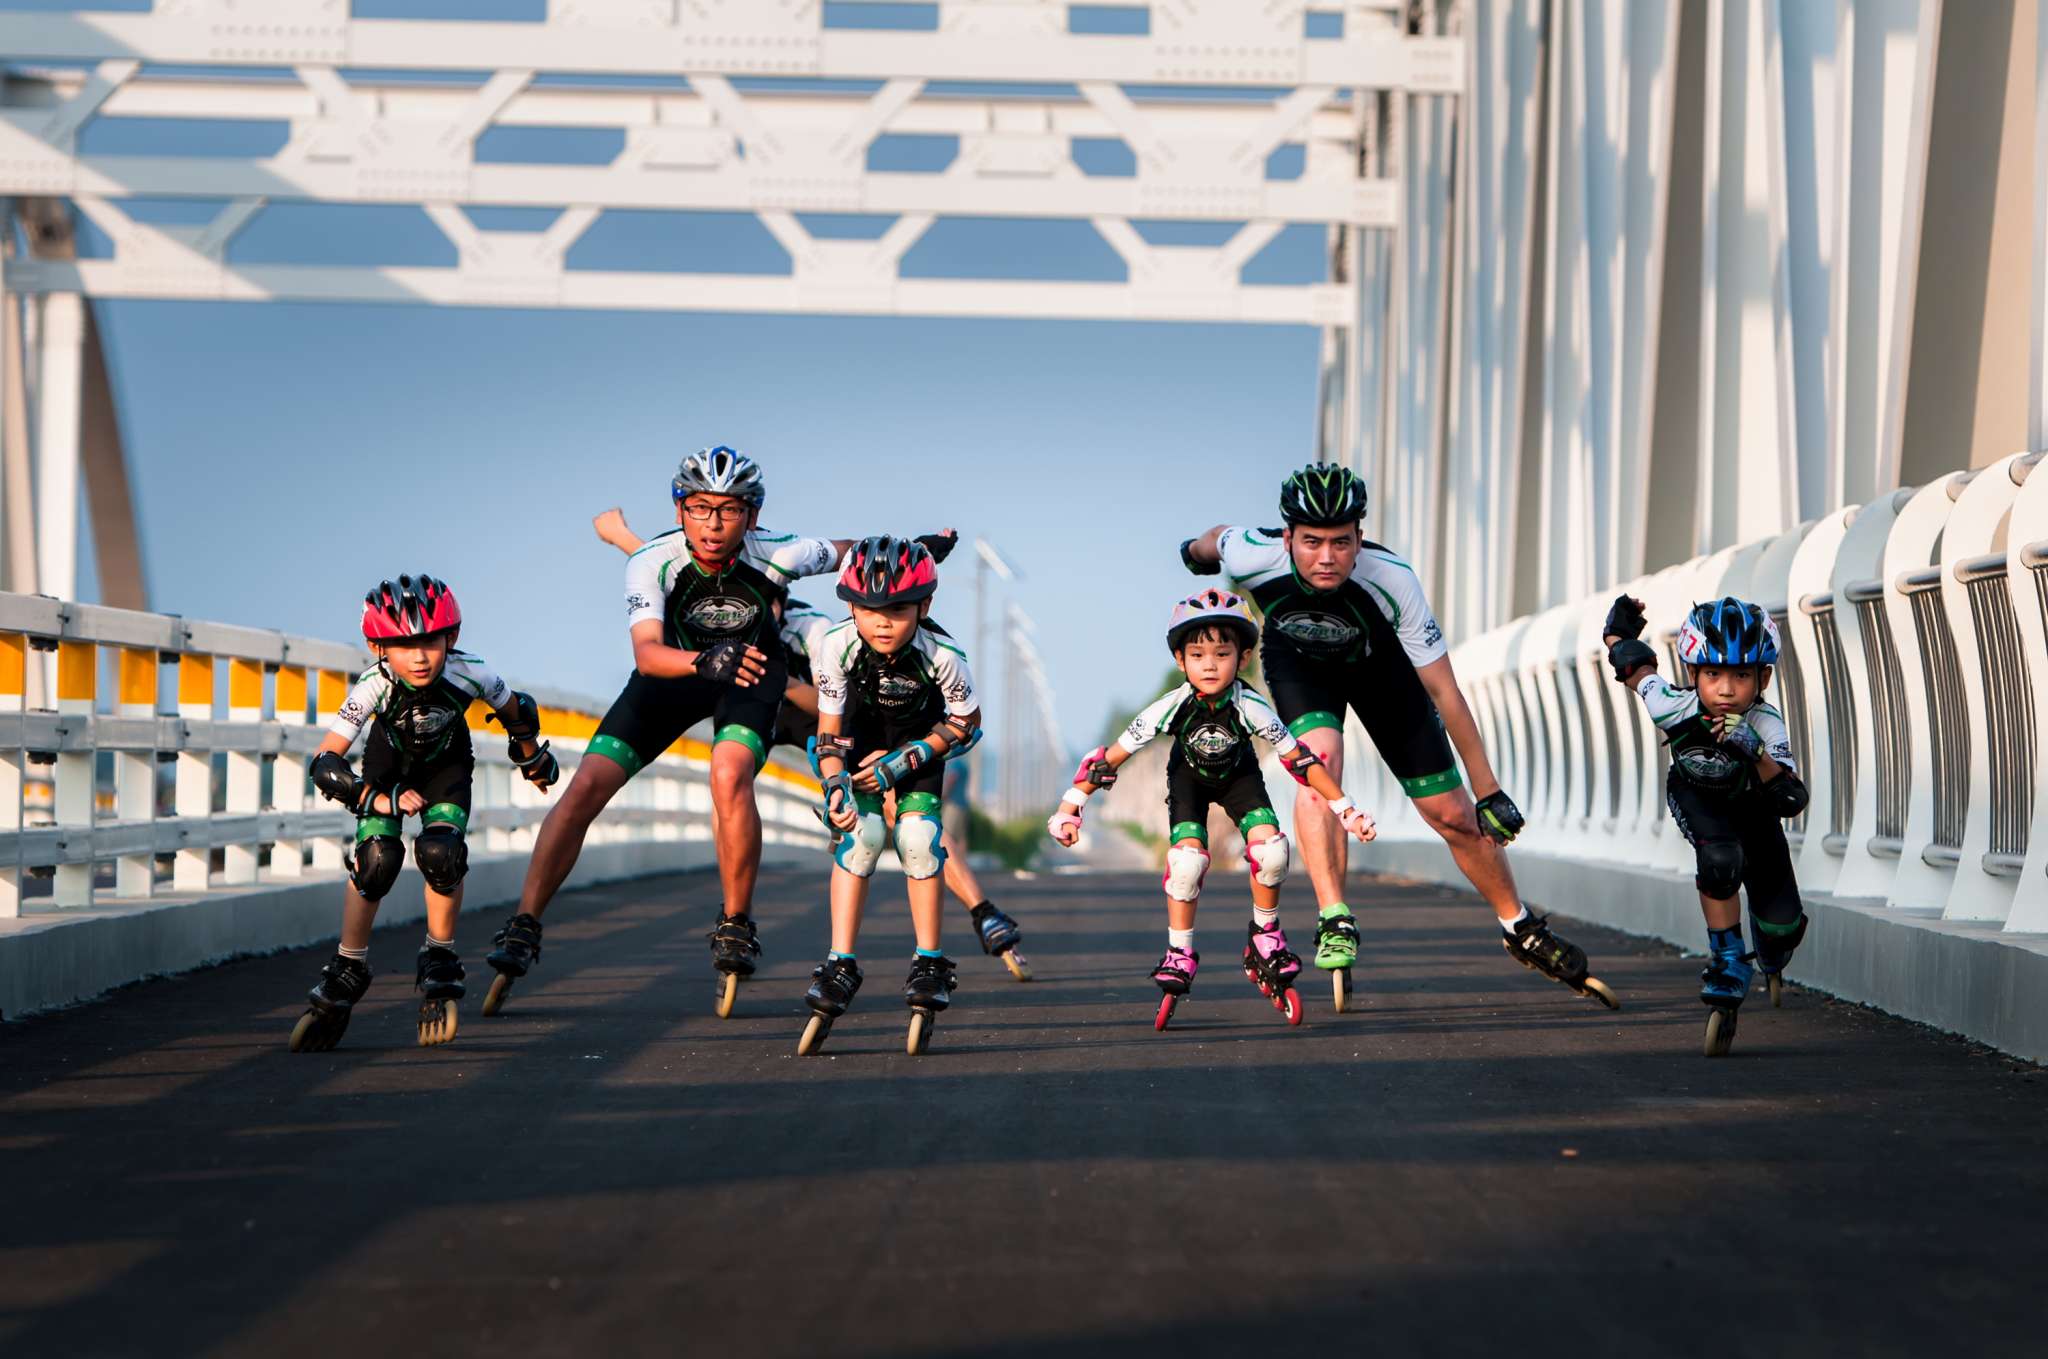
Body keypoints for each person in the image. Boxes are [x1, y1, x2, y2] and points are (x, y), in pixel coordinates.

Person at [1180, 461, 1619, 1011]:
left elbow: (1446, 693)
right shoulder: (1252, 552)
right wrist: (1194, 553)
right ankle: (1334, 914)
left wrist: (1487, 792)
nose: (1326, 558)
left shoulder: (1392, 579)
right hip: (1299, 667)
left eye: (1342, 543)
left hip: (1380, 671)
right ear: (1286, 537)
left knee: (1453, 817)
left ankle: (1519, 926)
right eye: (1311, 542)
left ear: (1360, 538)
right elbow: (1216, 539)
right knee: (1319, 760)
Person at [484, 446, 881, 1020]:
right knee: (586, 789)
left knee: (729, 776)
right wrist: (700, 662)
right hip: (674, 674)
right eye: (699, 508)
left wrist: (916, 548)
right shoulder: (651, 560)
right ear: (679, 509)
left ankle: (736, 922)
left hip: (747, 676)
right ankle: (524, 923)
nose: (713, 524)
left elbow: (852, 552)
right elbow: (647, 655)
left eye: (728, 510)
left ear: (752, 513)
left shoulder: (779, 552)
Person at [595, 508, 1030, 979]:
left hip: (812, 716)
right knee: (729, 790)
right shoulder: (720, 616)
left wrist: (779, 684)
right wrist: (622, 537)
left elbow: (873, 618)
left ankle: (981, 908)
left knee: (896, 806)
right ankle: (734, 911)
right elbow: (676, 572)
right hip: (752, 713)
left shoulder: (812, 630)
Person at [1045, 589, 1376, 1028]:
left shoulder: (1252, 706)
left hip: (1241, 780)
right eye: (1197, 654)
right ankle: (1179, 951)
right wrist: (1072, 804)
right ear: (1180, 661)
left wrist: (1345, 809)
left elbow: (1302, 760)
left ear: (1242, 659)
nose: (1209, 664)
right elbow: (1111, 758)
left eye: (1222, 653)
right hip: (1189, 782)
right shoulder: (1172, 705)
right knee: (1185, 863)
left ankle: (1266, 936)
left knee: (1272, 852)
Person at [290, 574, 559, 1052]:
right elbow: (326, 762)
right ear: (378, 646)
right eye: (402, 644)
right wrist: (374, 798)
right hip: (386, 769)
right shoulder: (374, 683)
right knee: (377, 862)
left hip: (446, 768)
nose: (418, 656)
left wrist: (531, 755)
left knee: (441, 853)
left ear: (450, 637)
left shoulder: (472, 671)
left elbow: (517, 710)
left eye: (430, 642)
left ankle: (440, 954)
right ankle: (348, 965)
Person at [797, 537, 981, 1056]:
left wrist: (906, 761)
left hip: (922, 743)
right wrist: (835, 782)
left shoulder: (943, 655)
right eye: (868, 609)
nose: (882, 621)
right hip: (857, 740)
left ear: (924, 606)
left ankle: (930, 960)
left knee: (919, 840)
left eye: (897, 609)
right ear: (849, 606)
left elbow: (966, 722)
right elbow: (830, 732)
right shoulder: (834, 646)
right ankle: (839, 962)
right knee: (864, 837)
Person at [1604, 594, 1809, 1056]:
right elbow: (1636, 670)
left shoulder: (1766, 723)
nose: (1726, 689)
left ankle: (1770, 952)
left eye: (1741, 675)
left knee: (1784, 928)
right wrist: (1618, 631)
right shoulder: (1672, 705)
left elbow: (1791, 800)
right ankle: (1729, 958)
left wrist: (1753, 749)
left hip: (1756, 812)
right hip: (1698, 796)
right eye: (1713, 674)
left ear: (1764, 678)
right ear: (1693, 674)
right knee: (1720, 860)